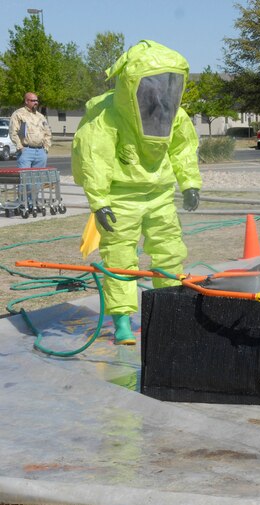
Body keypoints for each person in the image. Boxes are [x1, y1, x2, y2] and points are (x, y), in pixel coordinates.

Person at [72, 40, 202, 345]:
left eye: (165, 83)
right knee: (120, 258)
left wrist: (190, 183)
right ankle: (122, 322)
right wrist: (100, 201)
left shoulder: (174, 113)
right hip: (121, 197)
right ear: (133, 84)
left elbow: (183, 149)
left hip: (160, 195)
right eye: (152, 83)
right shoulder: (108, 116)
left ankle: (166, 312)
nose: (158, 91)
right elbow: (95, 159)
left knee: (169, 253)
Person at [9, 92, 52, 213]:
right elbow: (13, 131)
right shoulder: (19, 114)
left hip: (40, 151)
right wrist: (20, 147)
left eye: (36, 100)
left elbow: (47, 132)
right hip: (26, 150)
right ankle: (23, 203)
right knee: (25, 179)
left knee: (37, 180)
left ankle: (33, 202)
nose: (36, 102)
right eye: (33, 100)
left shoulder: (40, 116)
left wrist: (46, 147)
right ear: (26, 101)